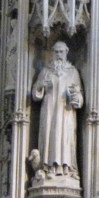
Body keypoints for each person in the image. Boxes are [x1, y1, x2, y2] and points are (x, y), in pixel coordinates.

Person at [31, 41, 83, 177]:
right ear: (52, 53)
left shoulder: (73, 72)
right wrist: (40, 85)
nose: (59, 55)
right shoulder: (45, 71)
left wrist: (77, 98)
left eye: (61, 52)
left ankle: (66, 168)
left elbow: (79, 94)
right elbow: (35, 94)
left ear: (66, 53)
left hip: (66, 112)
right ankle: (49, 168)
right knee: (50, 136)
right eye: (56, 52)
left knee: (65, 138)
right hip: (49, 111)